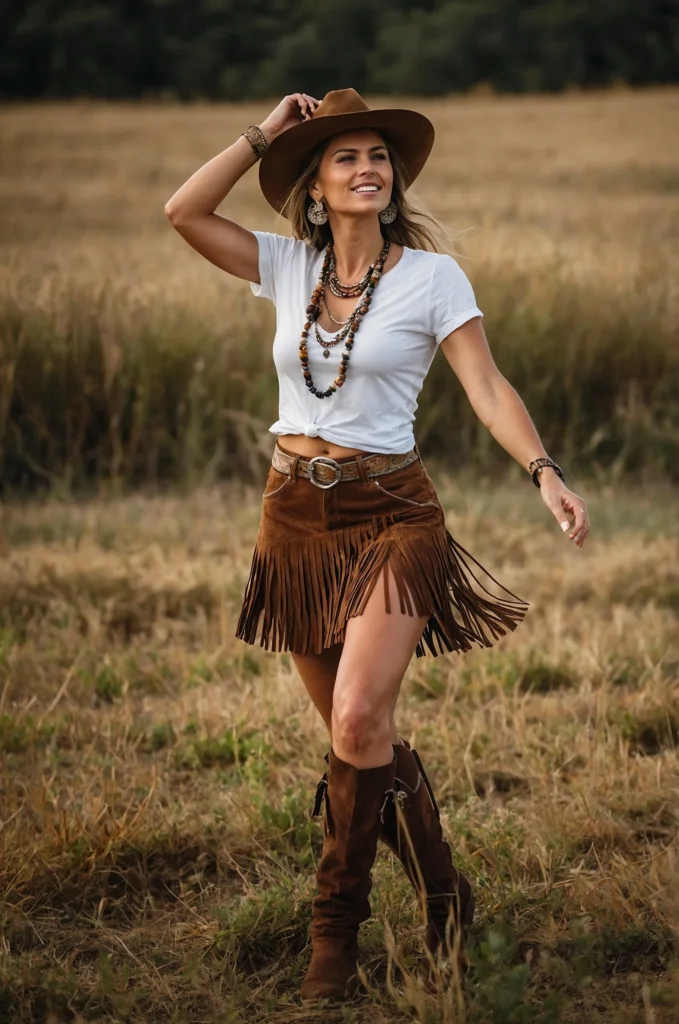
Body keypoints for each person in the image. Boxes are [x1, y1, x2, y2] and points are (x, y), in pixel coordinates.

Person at [165, 88, 591, 1003]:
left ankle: (334, 947)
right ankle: (446, 897)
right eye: (346, 156)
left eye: (378, 157)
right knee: (359, 740)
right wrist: (265, 134)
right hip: (293, 518)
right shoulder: (285, 266)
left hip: (393, 514)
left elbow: (485, 385)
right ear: (315, 188)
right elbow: (183, 212)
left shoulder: (432, 279)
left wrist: (543, 471)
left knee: (358, 720)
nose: (369, 168)